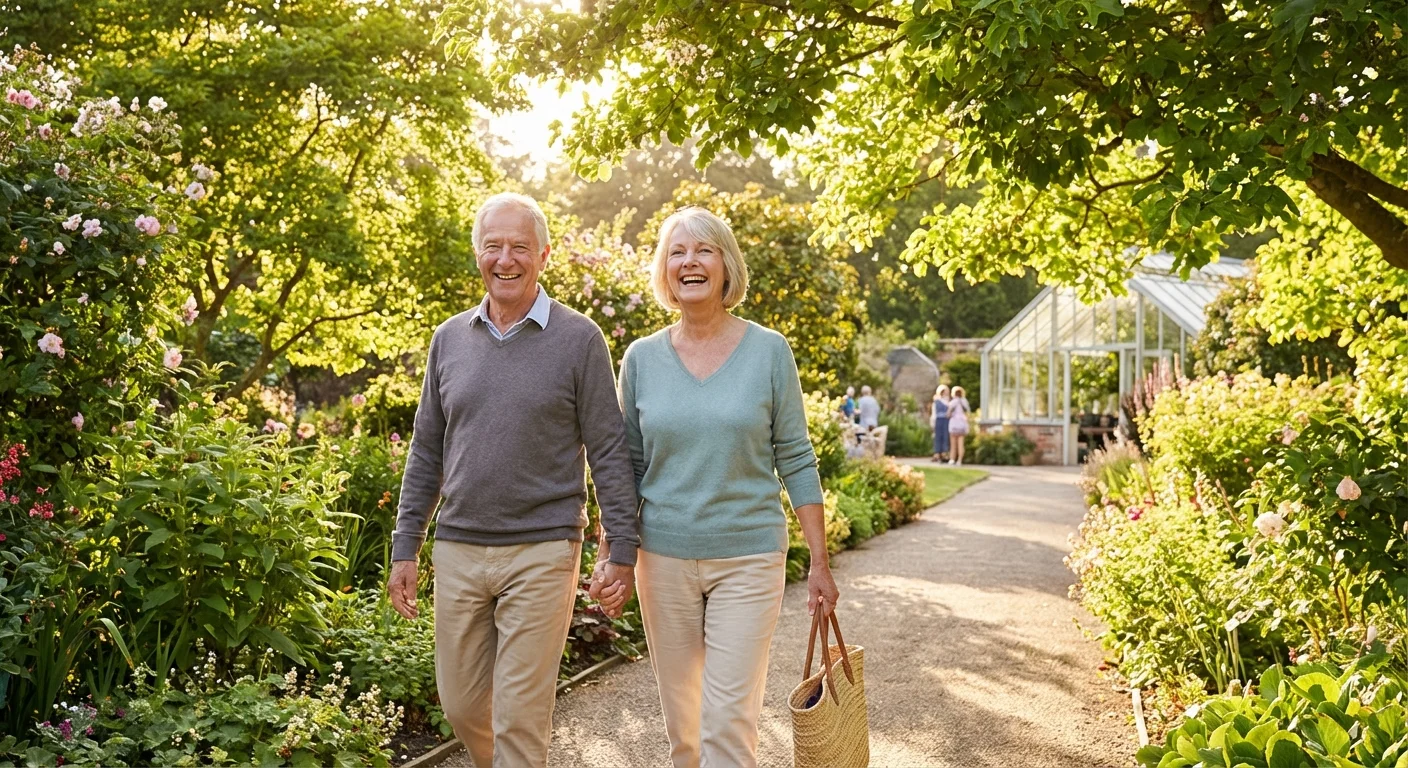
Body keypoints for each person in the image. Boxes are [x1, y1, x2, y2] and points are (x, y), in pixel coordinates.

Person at [388, 192, 640, 768]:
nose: (506, 259)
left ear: (544, 255)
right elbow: (427, 448)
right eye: (493, 246)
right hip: (458, 545)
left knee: (522, 716)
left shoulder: (580, 340)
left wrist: (621, 548)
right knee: (461, 705)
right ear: (478, 254)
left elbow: (607, 449)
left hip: (544, 545)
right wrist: (407, 545)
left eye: (519, 247)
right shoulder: (449, 339)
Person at [615, 206, 839, 768]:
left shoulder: (768, 351)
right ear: (665, 271)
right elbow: (626, 467)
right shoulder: (641, 359)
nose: (690, 262)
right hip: (662, 559)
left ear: (725, 265)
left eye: (704, 250)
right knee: (684, 730)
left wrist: (819, 559)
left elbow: (795, 455)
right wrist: (612, 552)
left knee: (727, 723)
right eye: (677, 252)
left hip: (749, 556)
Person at [947, 385, 972, 465]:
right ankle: (959, 460)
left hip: (954, 423)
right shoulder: (964, 401)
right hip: (962, 424)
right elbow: (968, 412)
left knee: (953, 443)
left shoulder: (953, 402)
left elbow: (948, 413)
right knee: (961, 443)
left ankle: (952, 459)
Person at [931, 384, 951, 462]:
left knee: (945, 436)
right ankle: (937, 453)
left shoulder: (949, 401)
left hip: (946, 420)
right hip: (939, 420)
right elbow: (934, 413)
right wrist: (933, 423)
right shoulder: (937, 401)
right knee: (938, 437)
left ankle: (944, 453)